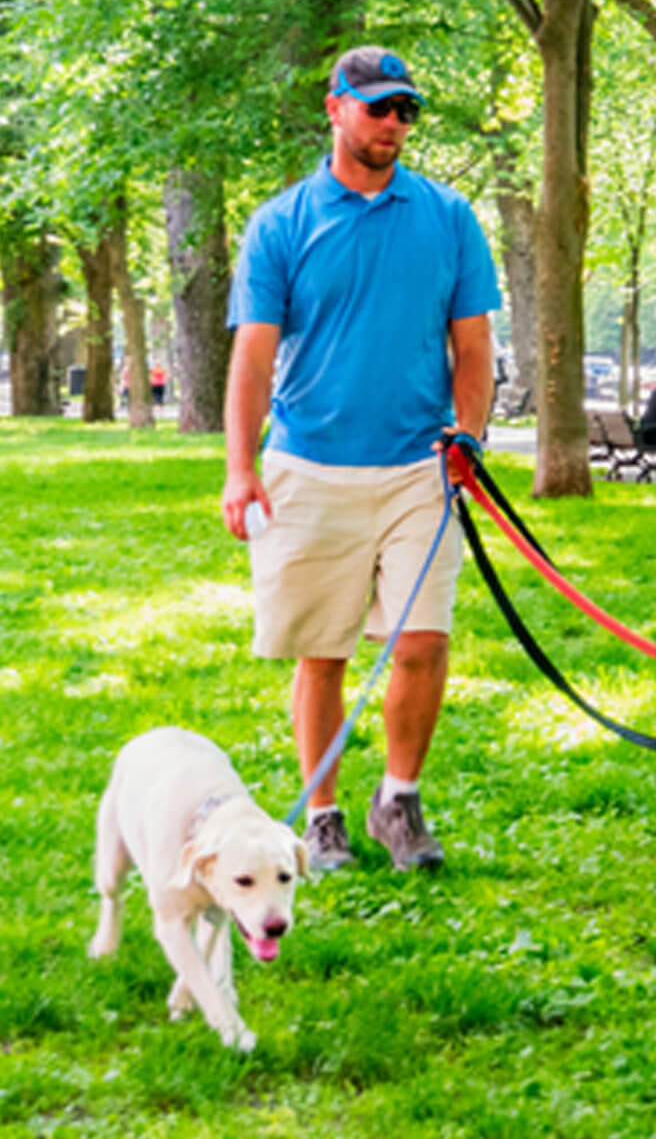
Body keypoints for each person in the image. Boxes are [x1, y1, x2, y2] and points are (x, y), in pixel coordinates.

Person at [219, 45, 499, 875]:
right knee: (325, 648)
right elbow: (253, 361)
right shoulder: (282, 223)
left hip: (421, 466)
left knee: (420, 642)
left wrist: (468, 436)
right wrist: (242, 468)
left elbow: (474, 344)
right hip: (310, 466)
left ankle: (399, 801)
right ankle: (326, 817)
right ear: (336, 108)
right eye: (378, 107)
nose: (394, 124)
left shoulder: (448, 217)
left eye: (406, 110)